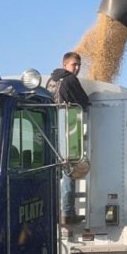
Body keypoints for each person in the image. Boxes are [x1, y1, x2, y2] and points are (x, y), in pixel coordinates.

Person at [49, 52, 89, 225]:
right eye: (74, 64)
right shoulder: (70, 80)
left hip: (49, 128)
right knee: (69, 170)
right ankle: (67, 212)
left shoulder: (50, 81)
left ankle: (53, 210)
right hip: (68, 126)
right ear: (65, 65)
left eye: (79, 65)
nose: (77, 68)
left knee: (54, 171)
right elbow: (84, 101)